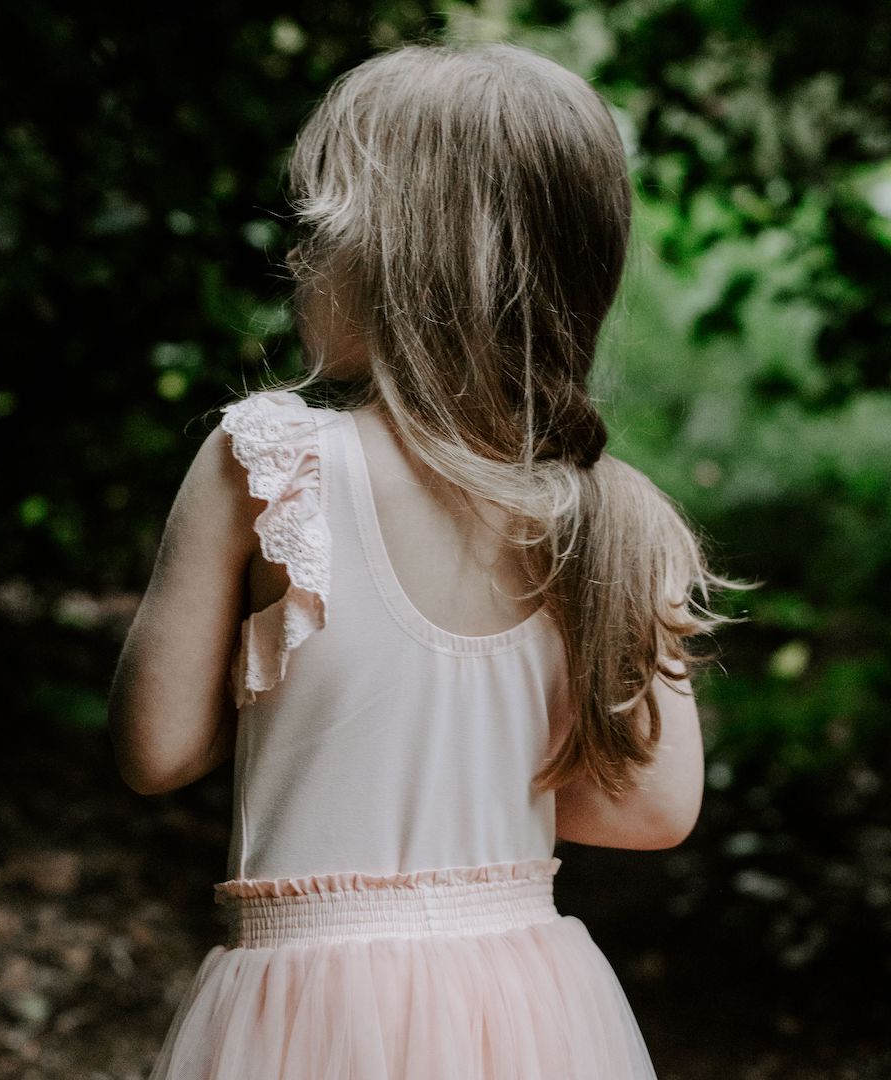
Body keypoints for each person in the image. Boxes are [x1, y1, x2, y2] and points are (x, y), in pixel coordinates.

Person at [107, 40, 743, 1079]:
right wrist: (484, 779)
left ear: (376, 254)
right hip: (531, 1009)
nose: (302, 260)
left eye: (316, 232)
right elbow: (654, 811)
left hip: (305, 1014)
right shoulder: (620, 515)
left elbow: (157, 750)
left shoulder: (269, 461)